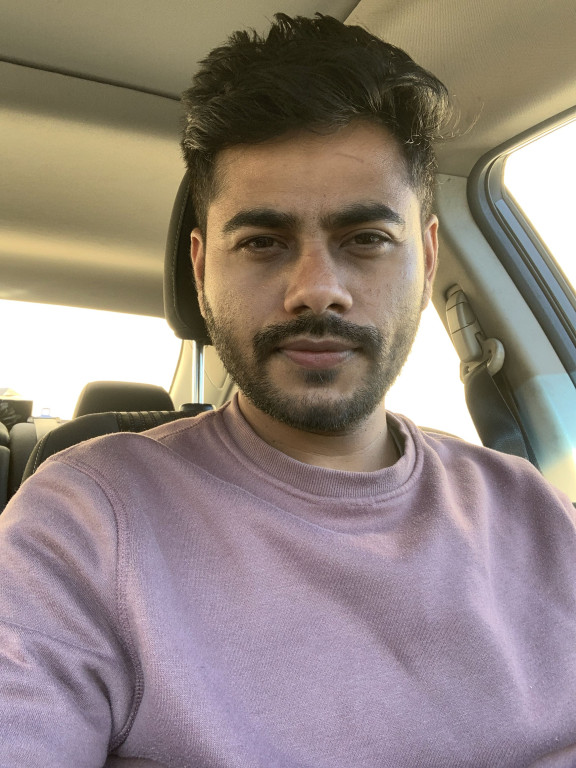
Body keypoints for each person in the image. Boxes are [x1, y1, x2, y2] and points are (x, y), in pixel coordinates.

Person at [1, 13, 575, 768]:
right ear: (201, 269)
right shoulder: (84, 522)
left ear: (428, 259)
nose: (316, 289)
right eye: (262, 242)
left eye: (366, 239)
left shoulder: (539, 515)